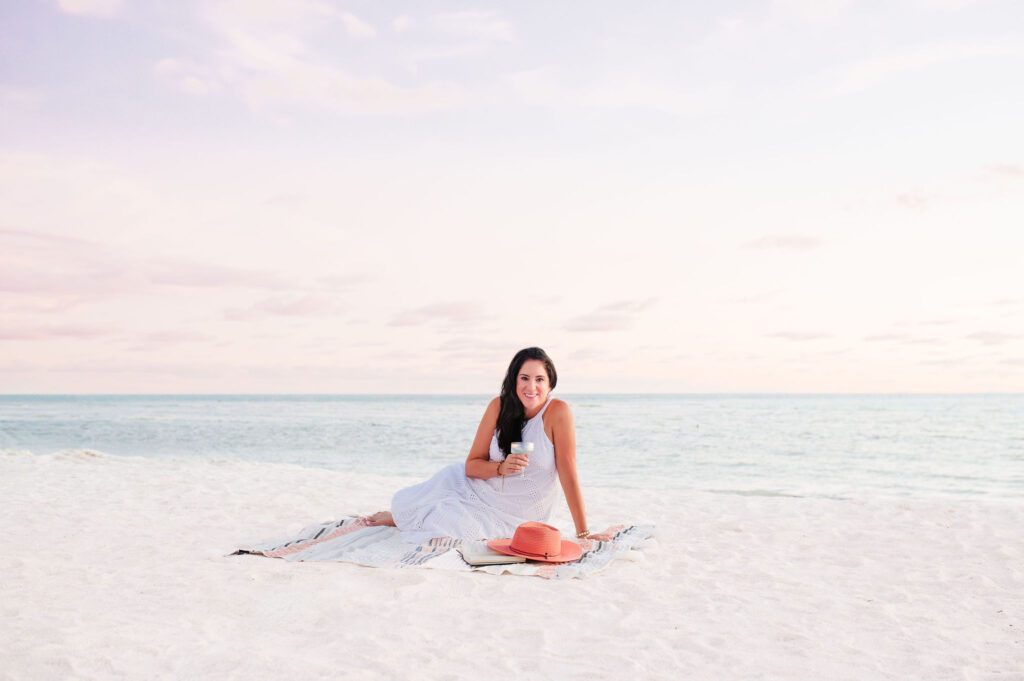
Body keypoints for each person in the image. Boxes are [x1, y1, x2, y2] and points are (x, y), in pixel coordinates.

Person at [363, 347, 597, 543]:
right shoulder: (498, 406)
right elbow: (471, 466)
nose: (531, 387)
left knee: (447, 522)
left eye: (539, 379)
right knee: (417, 500)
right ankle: (400, 516)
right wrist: (501, 468)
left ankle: (405, 517)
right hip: (476, 486)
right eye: (524, 378)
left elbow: (568, 473)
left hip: (520, 511)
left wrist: (583, 533)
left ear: (550, 384)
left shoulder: (558, 412)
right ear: (514, 379)